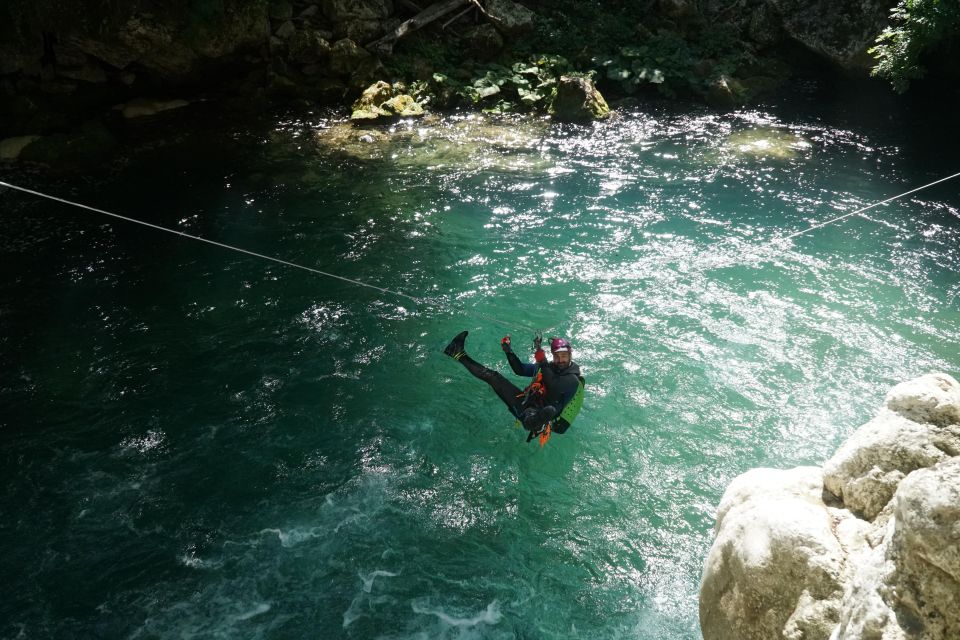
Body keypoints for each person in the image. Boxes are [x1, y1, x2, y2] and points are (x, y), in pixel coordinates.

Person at [443, 330, 585, 442]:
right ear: (553, 356)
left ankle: (537, 421)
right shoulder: (549, 367)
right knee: (492, 377)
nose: (560, 360)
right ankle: (456, 352)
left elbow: (554, 386)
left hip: (541, 414)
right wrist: (509, 352)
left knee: (537, 415)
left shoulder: (572, 379)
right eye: (557, 356)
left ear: (570, 355)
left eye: (564, 356)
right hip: (525, 401)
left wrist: (542, 360)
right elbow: (520, 370)